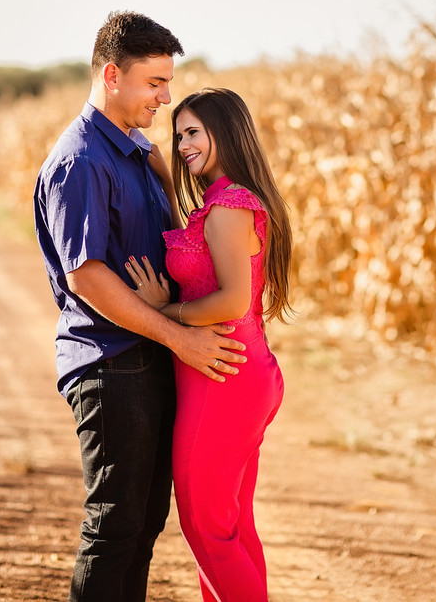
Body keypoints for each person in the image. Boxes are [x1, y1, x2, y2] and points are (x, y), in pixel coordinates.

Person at [33, 12, 249, 602]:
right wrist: (181, 337)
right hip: (109, 361)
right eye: (154, 82)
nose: (166, 96)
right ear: (112, 75)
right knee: (115, 525)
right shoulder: (81, 160)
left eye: (168, 82)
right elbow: (87, 277)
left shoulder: (131, 152)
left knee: (144, 524)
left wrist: (155, 155)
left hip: (145, 354)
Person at [125, 87, 293, 602]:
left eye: (193, 132)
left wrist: (161, 312)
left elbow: (230, 301)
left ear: (227, 132)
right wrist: (162, 177)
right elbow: (201, 252)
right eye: (178, 136)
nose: (182, 145)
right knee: (231, 525)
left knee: (208, 529)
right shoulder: (225, 200)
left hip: (223, 375)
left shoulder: (230, 205)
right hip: (240, 370)